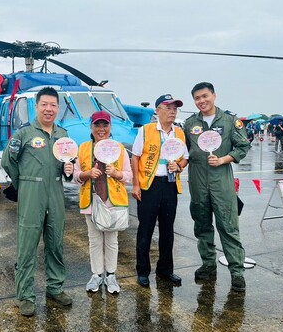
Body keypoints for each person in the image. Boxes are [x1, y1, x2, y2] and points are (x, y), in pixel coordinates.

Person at [1, 87, 73, 317]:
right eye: (44, 105)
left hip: (55, 191)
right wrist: (22, 183)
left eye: (53, 105)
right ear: (37, 106)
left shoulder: (63, 135)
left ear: (58, 108)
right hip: (31, 192)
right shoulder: (23, 135)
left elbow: (66, 165)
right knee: (27, 246)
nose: (49, 109)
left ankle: (55, 288)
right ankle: (26, 296)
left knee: (55, 243)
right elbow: (7, 161)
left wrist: (69, 170)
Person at [183, 82, 250, 293]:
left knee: (228, 227)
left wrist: (223, 160)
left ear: (214, 95)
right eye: (197, 98)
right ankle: (208, 264)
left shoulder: (230, 121)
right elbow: (184, 152)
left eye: (205, 96)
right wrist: (178, 162)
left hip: (222, 184)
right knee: (202, 226)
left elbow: (243, 146)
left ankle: (237, 272)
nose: (201, 101)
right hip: (198, 183)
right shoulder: (189, 124)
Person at [131, 94, 189, 288]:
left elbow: (185, 158)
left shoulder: (179, 132)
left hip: (170, 185)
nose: (172, 111)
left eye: (175, 108)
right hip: (150, 185)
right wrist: (137, 184)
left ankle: (165, 269)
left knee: (167, 230)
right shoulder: (146, 130)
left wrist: (179, 166)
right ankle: (143, 271)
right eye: (168, 107)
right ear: (157, 111)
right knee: (145, 229)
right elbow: (135, 157)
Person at [72, 111, 132, 294]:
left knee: (112, 240)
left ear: (110, 127)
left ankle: (111, 275)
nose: (101, 129)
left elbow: (128, 175)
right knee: (95, 240)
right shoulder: (82, 149)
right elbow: (75, 176)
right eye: (97, 125)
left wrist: (116, 174)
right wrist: (86, 174)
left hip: (112, 201)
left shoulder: (119, 149)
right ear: (91, 127)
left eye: (105, 125)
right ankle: (97, 274)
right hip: (91, 201)